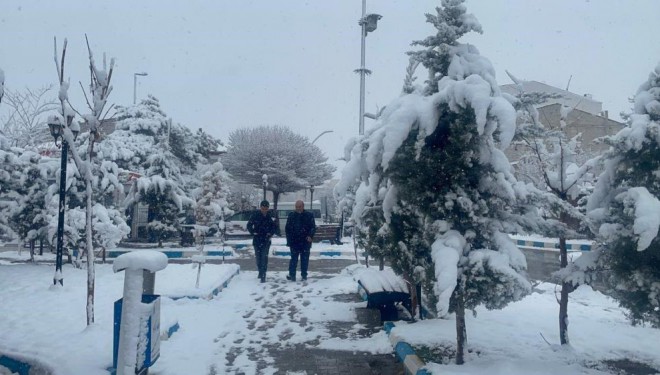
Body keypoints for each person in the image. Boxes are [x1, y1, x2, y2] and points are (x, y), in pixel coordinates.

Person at [247, 200, 278, 283]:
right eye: (263, 208)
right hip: (257, 240)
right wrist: (253, 232)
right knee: (258, 258)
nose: (264, 210)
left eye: (266, 208)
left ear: (268, 208)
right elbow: (249, 225)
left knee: (264, 257)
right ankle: (260, 271)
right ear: (260, 207)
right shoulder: (255, 215)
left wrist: (270, 233)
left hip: (266, 240)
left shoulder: (270, 216)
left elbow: (275, 227)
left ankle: (263, 275)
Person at [285, 200, 316, 281]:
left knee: (304, 260)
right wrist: (289, 240)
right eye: (296, 207)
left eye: (299, 207)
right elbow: (287, 228)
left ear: (303, 206)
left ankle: (304, 275)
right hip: (294, 242)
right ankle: (292, 275)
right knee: (293, 259)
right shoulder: (291, 215)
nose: (298, 208)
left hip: (305, 241)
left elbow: (313, 227)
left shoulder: (309, 215)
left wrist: (310, 235)